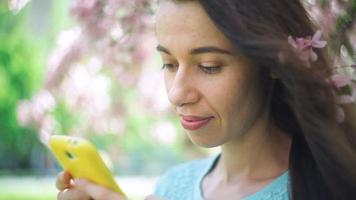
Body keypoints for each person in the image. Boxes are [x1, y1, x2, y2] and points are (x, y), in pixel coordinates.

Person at [56, 0, 356, 199]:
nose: (177, 94)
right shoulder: (169, 189)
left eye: (209, 66)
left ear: (274, 63)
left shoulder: (332, 187)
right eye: (169, 64)